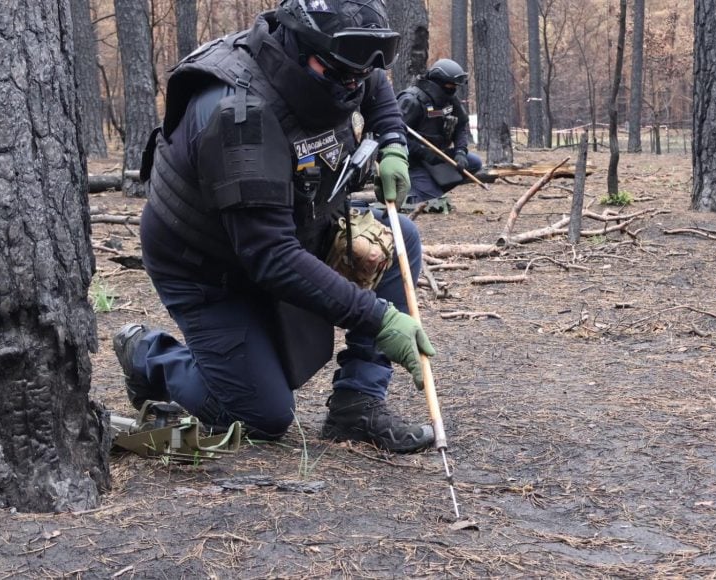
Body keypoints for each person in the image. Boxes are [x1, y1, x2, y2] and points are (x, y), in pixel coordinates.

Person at [114, 0, 437, 454]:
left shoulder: (335, 65)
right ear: (297, 43)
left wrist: (393, 141)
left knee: (399, 236)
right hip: (208, 267)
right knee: (261, 416)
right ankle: (150, 356)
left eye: (359, 73)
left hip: (287, 228)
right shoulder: (239, 116)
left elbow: (374, 82)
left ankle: (356, 403)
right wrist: (377, 318)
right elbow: (272, 258)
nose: (353, 84)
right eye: (342, 73)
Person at [397, 59, 483, 212]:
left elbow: (460, 126)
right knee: (435, 205)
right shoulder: (411, 101)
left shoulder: (449, 99)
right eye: (450, 86)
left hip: (436, 156)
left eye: (455, 87)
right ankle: (415, 191)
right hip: (412, 163)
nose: (453, 90)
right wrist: (424, 152)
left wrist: (460, 152)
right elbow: (397, 136)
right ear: (439, 83)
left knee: (473, 162)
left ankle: (427, 189)